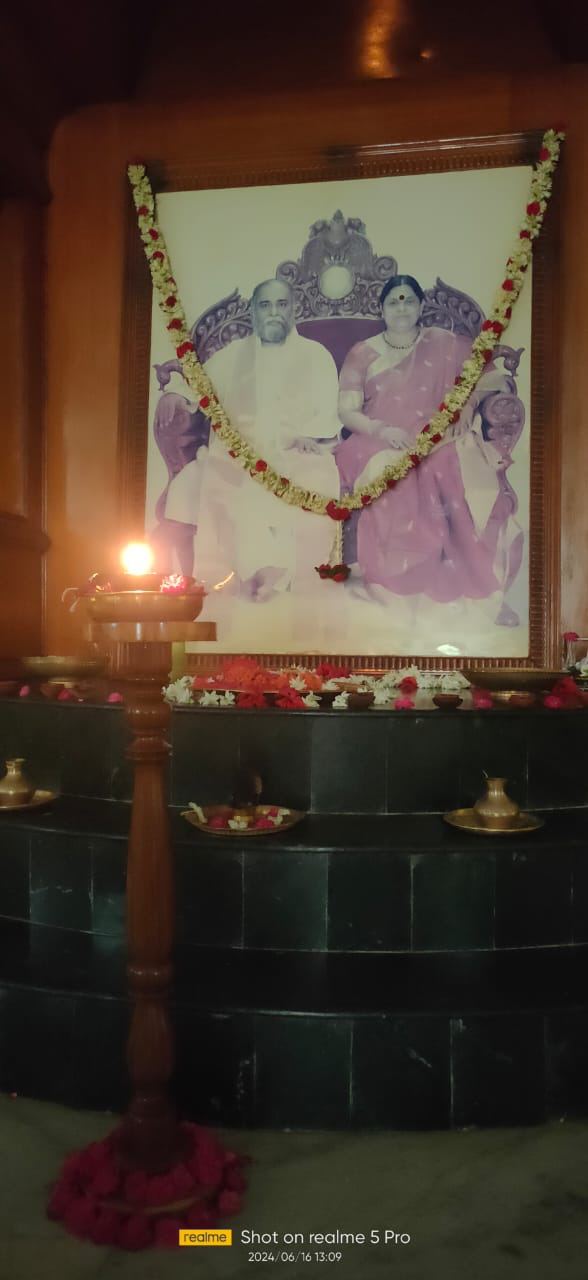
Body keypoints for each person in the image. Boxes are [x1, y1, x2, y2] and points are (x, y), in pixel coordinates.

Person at [335, 274, 523, 622]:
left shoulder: (447, 343)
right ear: (382, 310)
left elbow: (494, 377)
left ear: (421, 306)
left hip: (439, 436)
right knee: (393, 473)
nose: (402, 307)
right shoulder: (363, 352)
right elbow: (347, 411)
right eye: (394, 301)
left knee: (453, 467)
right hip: (377, 436)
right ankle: (396, 587)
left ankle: (472, 584)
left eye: (408, 300)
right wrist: (383, 430)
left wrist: (467, 406)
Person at [194, 278, 341, 600]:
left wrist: (305, 435)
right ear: (253, 312)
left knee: (304, 482)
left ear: (293, 310)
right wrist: (174, 396)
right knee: (235, 481)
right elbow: (194, 385)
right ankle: (258, 573)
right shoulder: (232, 356)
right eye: (265, 305)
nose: (274, 312)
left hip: (299, 450)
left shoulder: (315, 355)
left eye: (281, 304)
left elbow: (326, 412)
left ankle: (283, 576)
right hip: (243, 453)